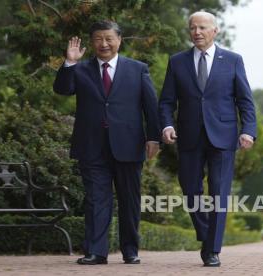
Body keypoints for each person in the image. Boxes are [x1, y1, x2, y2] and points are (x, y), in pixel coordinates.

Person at [53, 20, 160, 265]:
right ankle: (96, 252)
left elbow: (150, 106)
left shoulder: (138, 69)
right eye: (98, 39)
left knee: (129, 200)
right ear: (92, 43)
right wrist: (69, 62)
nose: (104, 44)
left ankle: (130, 250)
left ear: (119, 40)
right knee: (96, 199)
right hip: (92, 146)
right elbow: (62, 89)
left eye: (109, 38)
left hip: (129, 145)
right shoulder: (79, 70)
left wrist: (153, 137)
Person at [158, 11, 257, 267]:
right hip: (189, 136)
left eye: (202, 27)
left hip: (223, 136)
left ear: (215, 31)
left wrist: (248, 130)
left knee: (219, 192)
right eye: (193, 28)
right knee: (190, 189)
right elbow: (167, 101)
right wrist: (167, 124)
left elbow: (245, 101)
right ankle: (205, 233)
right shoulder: (177, 62)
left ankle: (212, 249)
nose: (197, 32)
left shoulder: (233, 60)